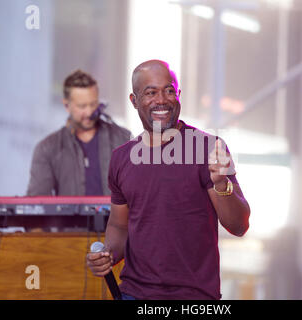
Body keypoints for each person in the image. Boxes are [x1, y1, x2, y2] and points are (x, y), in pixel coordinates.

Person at [86, 60, 250, 300]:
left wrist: (222, 184)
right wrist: (108, 254)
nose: (161, 100)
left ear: (178, 95)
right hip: (135, 294)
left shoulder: (206, 148)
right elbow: (120, 225)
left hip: (194, 298)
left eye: (169, 90)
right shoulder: (121, 158)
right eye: (150, 92)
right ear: (134, 101)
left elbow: (239, 226)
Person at [27, 70, 131, 196]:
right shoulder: (47, 148)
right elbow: (37, 202)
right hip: (69, 217)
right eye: (82, 106)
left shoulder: (123, 139)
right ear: (66, 105)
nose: (89, 112)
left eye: (93, 104)